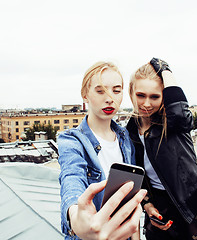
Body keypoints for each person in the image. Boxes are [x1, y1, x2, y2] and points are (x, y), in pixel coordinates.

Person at [126, 58, 197, 240]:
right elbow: (137, 174)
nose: (146, 103)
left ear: (164, 96)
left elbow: (181, 114)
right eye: (141, 95)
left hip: (194, 206)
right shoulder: (129, 130)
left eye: (154, 96)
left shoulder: (173, 122)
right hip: (159, 208)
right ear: (131, 92)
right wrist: (147, 204)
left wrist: (165, 71)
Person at [58, 61, 147, 240]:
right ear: (85, 95)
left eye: (116, 90)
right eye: (100, 91)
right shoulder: (72, 140)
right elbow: (71, 177)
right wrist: (77, 218)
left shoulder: (125, 138)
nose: (109, 98)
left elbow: (131, 201)